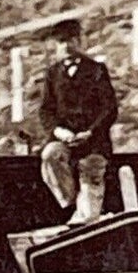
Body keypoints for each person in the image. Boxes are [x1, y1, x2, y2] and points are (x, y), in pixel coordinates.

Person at [35, 17, 119, 223]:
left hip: (93, 141)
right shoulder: (52, 74)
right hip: (64, 139)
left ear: (79, 41)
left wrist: (90, 132)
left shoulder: (96, 70)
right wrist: (59, 132)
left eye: (72, 40)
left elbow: (109, 108)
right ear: (56, 45)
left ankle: (87, 217)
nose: (67, 45)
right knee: (50, 155)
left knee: (92, 169)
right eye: (62, 42)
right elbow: (46, 110)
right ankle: (71, 205)